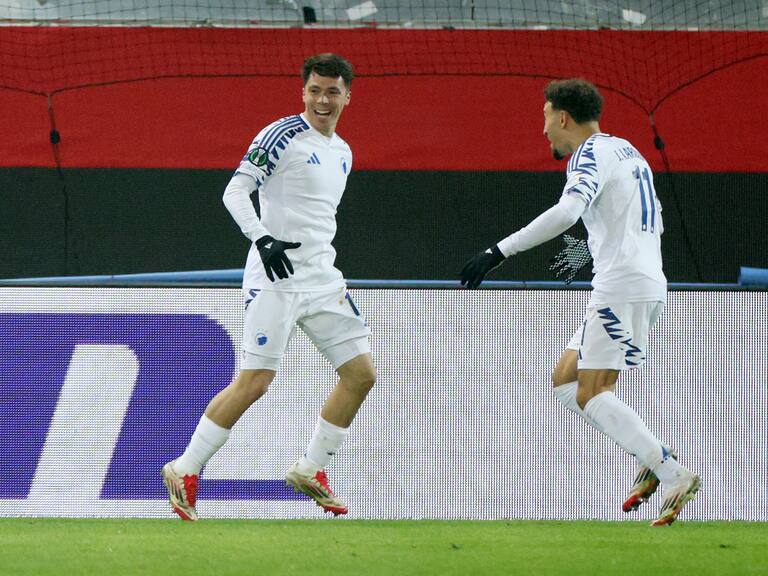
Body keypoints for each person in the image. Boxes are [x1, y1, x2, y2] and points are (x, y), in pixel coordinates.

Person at [459, 78, 700, 526]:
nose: (544, 129)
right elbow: (645, 220)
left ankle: (672, 472)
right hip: (637, 279)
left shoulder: (588, 154)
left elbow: (568, 212)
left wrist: (498, 253)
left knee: (591, 392)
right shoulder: (627, 149)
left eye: (546, 117)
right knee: (566, 382)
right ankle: (648, 454)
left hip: (622, 284)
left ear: (563, 116)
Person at [161, 53, 375, 521]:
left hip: (322, 278)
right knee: (256, 380)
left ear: (347, 96)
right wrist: (263, 239)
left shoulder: (343, 151)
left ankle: (310, 468)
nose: (323, 99)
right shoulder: (281, 135)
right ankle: (185, 467)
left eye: (332, 91)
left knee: (361, 374)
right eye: (315, 90)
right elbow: (234, 190)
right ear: (303, 92)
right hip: (274, 276)